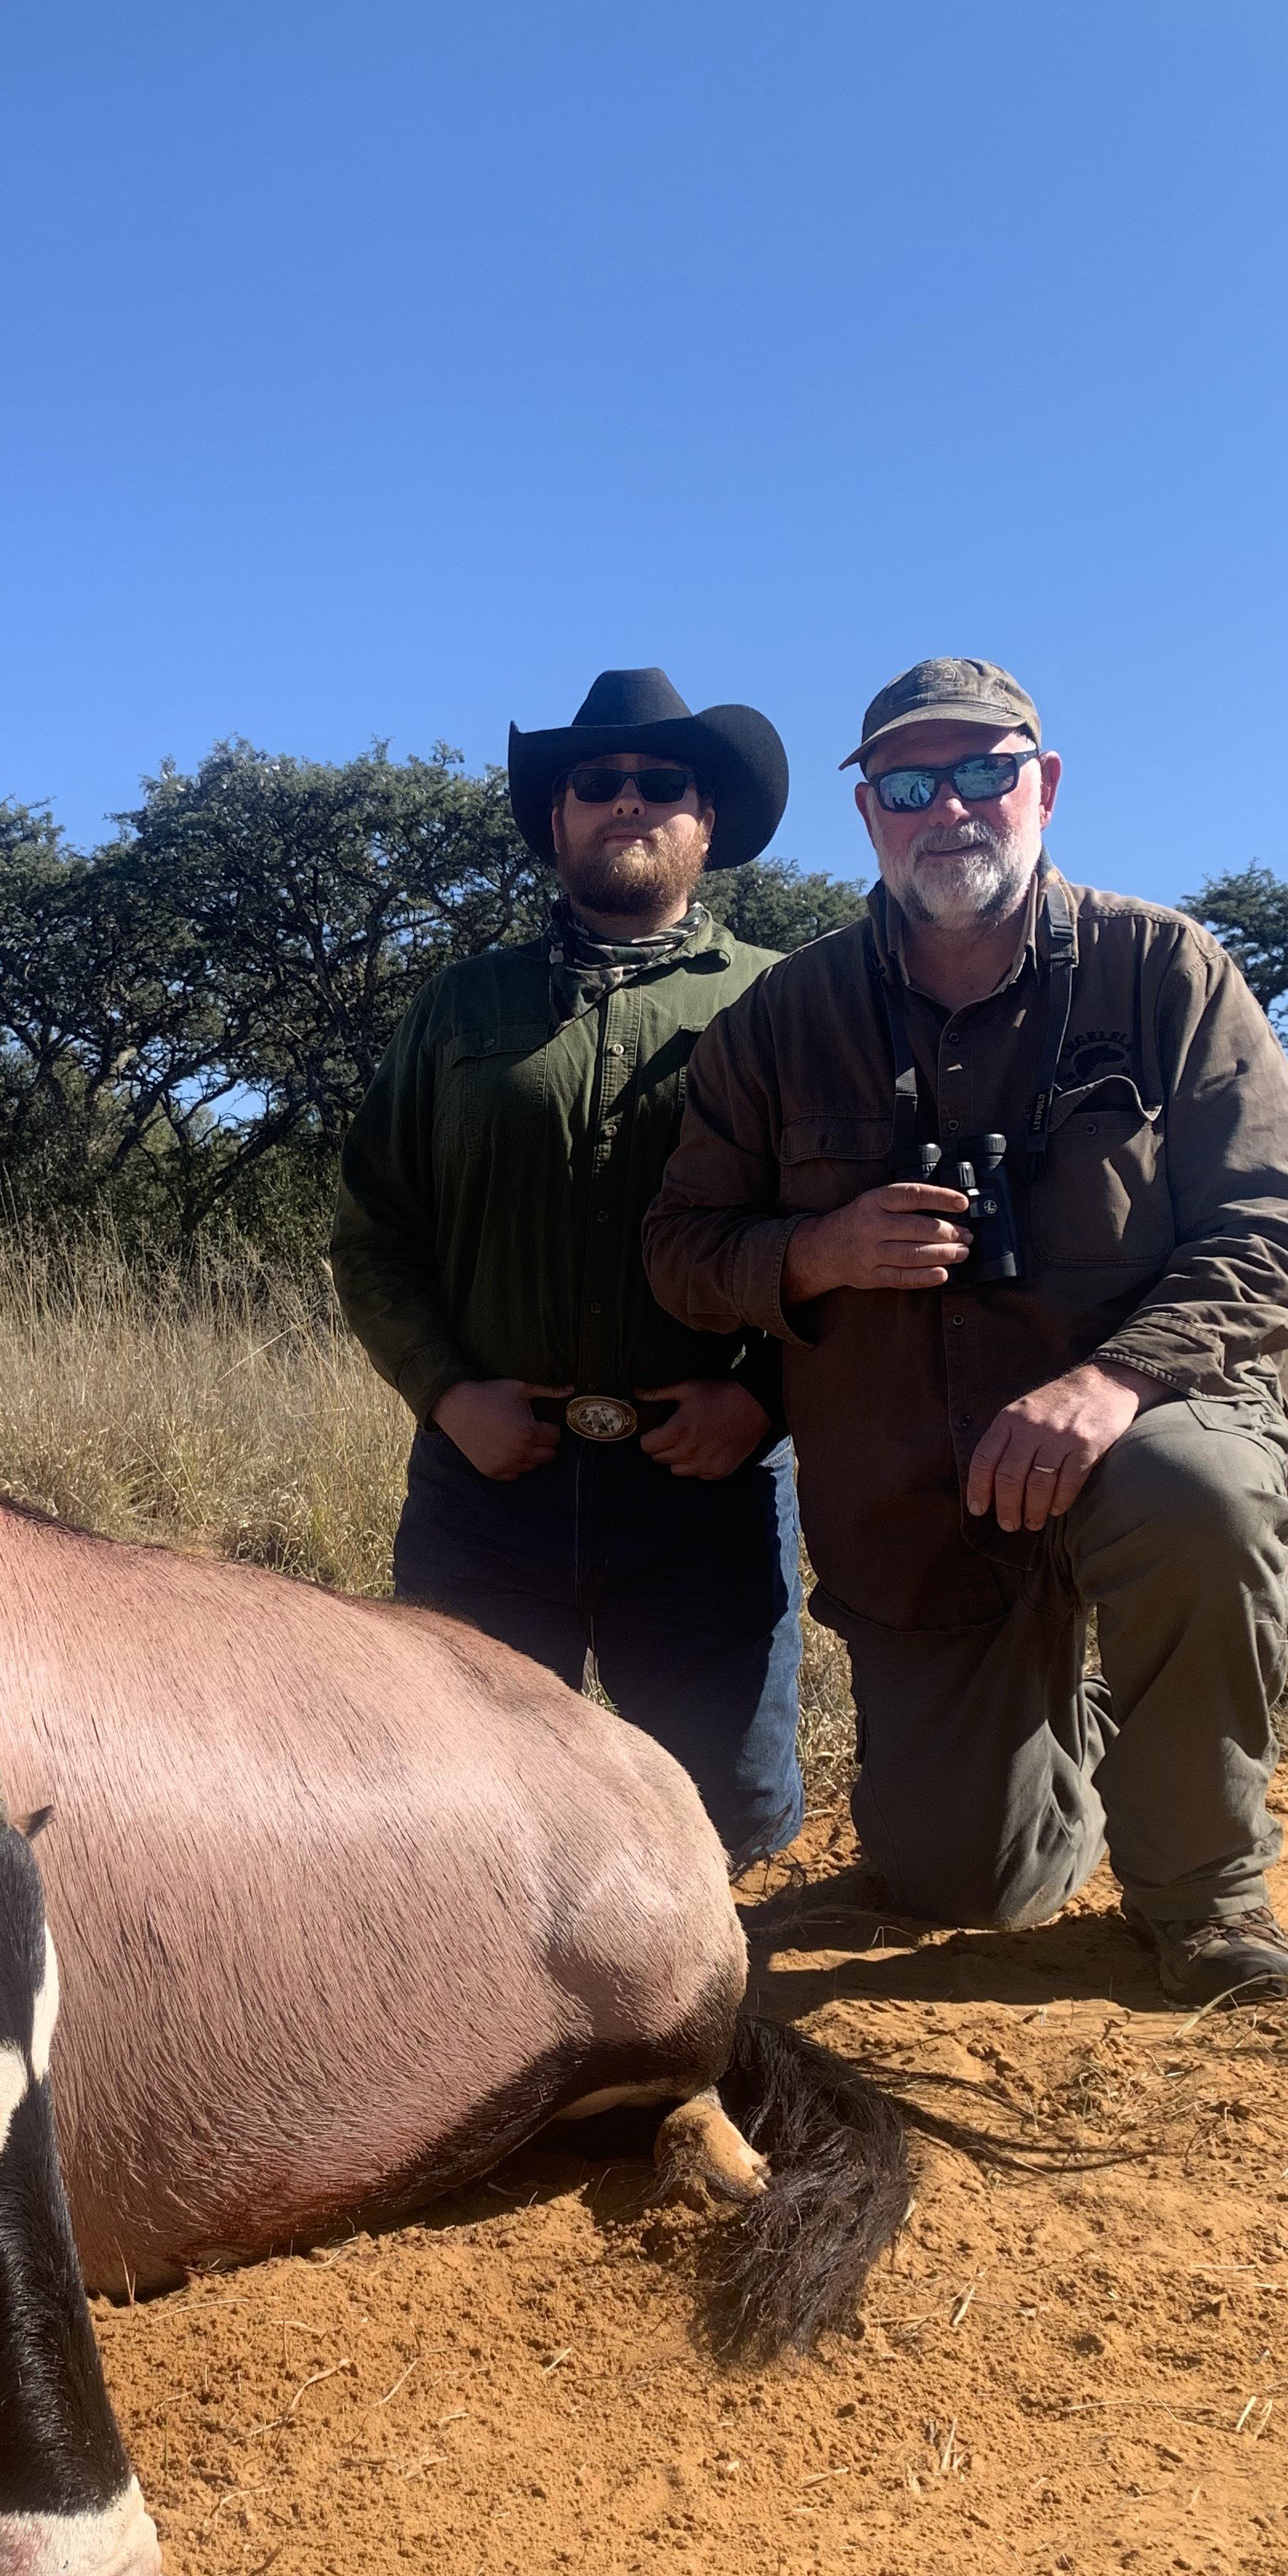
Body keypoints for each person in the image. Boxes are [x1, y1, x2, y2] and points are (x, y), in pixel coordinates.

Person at [642, 656, 1288, 2001]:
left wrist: (1115, 1380)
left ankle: (1204, 1901)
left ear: (1045, 787)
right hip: (919, 1499)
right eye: (909, 783)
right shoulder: (779, 1022)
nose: (948, 808)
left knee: (1197, 1492)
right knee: (969, 1881)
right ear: (871, 816)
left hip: (1143, 1427)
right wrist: (818, 1250)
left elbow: (1282, 1239)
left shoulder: (1167, 969)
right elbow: (680, 1252)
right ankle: (1065, 1729)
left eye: (982, 773)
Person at [332, 667, 806, 1865]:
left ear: (709, 822)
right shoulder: (457, 1005)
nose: (628, 802)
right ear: (559, 819)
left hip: (707, 1483)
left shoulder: (788, 1004)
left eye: (663, 784)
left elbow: (846, 1248)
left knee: (729, 1816)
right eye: (598, 782)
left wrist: (762, 1401)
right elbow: (375, 1227)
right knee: (454, 1806)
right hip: (488, 1483)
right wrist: (448, 1395)